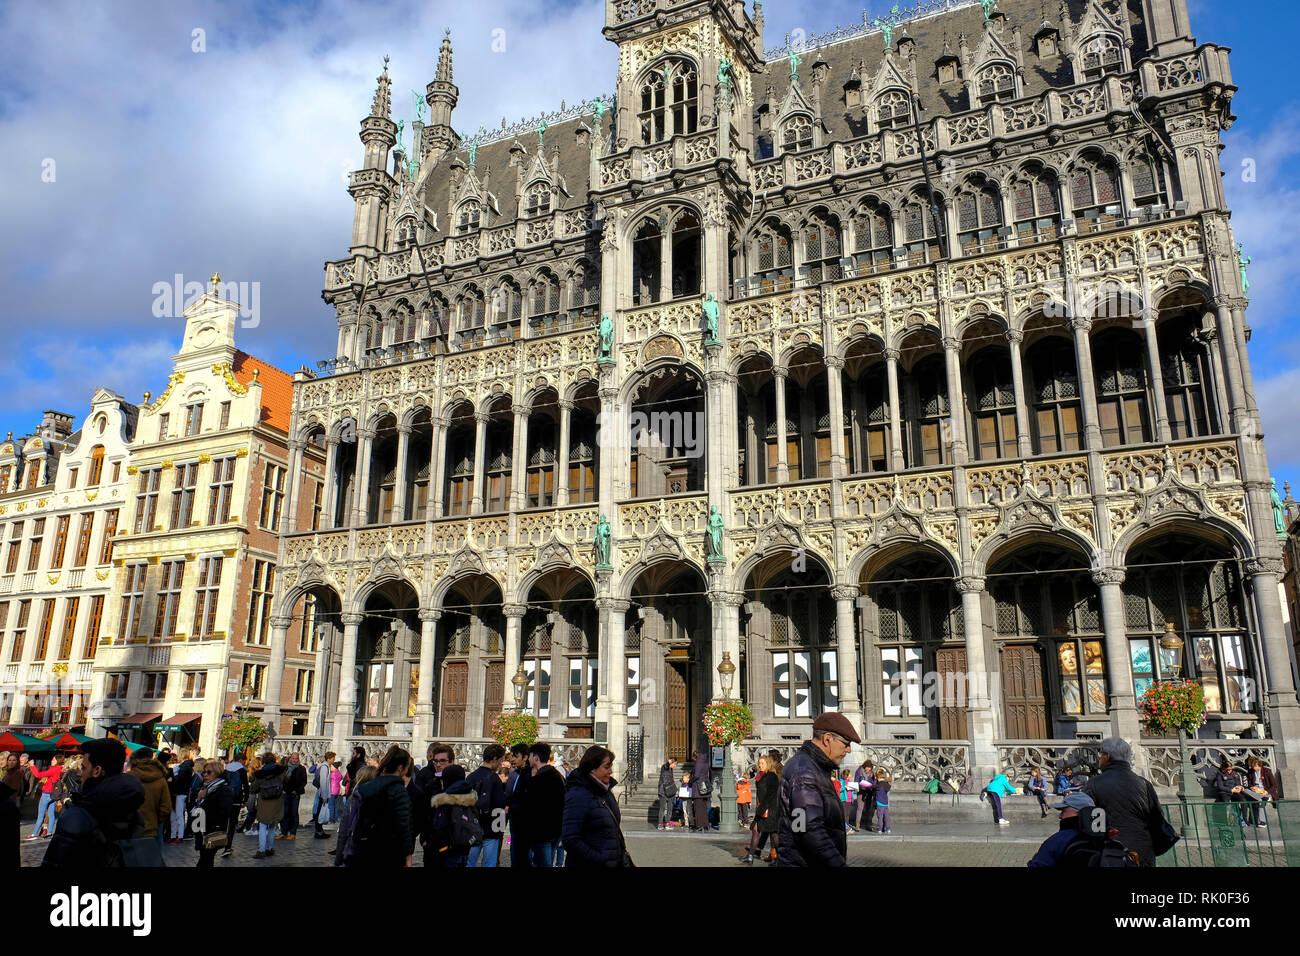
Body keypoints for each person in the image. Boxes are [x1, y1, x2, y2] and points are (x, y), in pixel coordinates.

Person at [41, 739, 145, 868]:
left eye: (83, 768)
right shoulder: (134, 812)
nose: (80, 773)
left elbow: (55, 862)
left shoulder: (78, 816)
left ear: (97, 771)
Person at [777, 712, 860, 867]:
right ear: (827, 739)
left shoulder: (814, 768)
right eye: (846, 743)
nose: (848, 750)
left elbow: (803, 825)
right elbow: (807, 830)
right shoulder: (804, 773)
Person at [1083, 737, 1168, 867]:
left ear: (1107, 756)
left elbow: (1089, 823)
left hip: (1110, 852)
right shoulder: (1144, 784)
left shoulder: (1093, 784)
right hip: (1142, 850)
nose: (1099, 758)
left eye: (1101, 754)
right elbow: (1157, 819)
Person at [346, 745, 414, 868]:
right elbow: (404, 824)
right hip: (388, 849)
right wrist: (408, 854)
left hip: (363, 845)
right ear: (400, 768)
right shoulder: (398, 790)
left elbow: (355, 817)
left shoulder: (368, 785)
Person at [562, 745, 627, 868]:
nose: (611, 771)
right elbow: (570, 839)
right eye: (606, 767)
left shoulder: (605, 791)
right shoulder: (578, 795)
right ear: (592, 768)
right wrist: (600, 859)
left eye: (611, 766)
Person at [1028, 792, 1102, 867]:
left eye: (1063, 811)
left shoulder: (1059, 840)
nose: (1060, 816)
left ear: (1078, 813)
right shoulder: (1106, 837)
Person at [522, 742, 566, 867]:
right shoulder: (556, 775)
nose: (528, 759)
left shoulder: (541, 778)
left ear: (536, 757)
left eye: (530, 756)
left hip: (542, 832)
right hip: (554, 830)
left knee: (544, 863)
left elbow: (533, 806)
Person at [465, 744, 508, 867]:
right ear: (495, 759)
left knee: (469, 862)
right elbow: (500, 804)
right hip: (491, 828)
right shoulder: (494, 779)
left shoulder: (471, 777)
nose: (500, 764)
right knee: (489, 863)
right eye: (500, 760)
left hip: (473, 827)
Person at [191, 759, 233, 868]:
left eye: (209, 772)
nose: (205, 774)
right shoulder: (204, 787)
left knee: (206, 858)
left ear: (217, 773)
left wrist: (205, 805)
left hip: (213, 830)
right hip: (201, 829)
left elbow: (224, 811)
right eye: (204, 772)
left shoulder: (223, 789)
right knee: (206, 859)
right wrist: (199, 798)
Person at [127, 750, 171, 849]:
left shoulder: (129, 777)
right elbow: (166, 808)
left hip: (131, 829)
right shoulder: (160, 779)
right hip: (151, 830)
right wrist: (155, 821)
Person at [334, 766, 378, 867]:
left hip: (356, 847)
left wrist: (338, 858)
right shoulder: (384, 796)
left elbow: (344, 829)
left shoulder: (355, 797)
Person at [742, 752, 781, 865]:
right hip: (762, 809)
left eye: (762, 763)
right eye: (759, 763)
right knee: (755, 831)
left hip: (770, 810)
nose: (760, 765)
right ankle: (750, 857)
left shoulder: (772, 776)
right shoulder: (760, 776)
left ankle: (781, 858)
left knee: (774, 835)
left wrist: (761, 809)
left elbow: (771, 795)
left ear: (767, 764)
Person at [249, 752, 288, 859]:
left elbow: (253, 789)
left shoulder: (260, 774)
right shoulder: (281, 771)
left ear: (264, 761)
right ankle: (269, 848)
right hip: (277, 801)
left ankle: (261, 850)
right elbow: (287, 782)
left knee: (262, 825)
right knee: (272, 826)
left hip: (264, 801)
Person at [505, 743, 531, 866]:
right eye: (512, 756)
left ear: (525, 757)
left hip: (524, 817)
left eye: (516, 756)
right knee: (515, 846)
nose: (512, 759)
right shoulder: (514, 773)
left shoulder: (530, 774)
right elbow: (510, 792)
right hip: (513, 815)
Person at [28, 755, 65, 839]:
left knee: (40, 815)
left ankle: (34, 834)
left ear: (57, 761)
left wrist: (32, 766)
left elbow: (38, 774)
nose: (51, 761)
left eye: (53, 760)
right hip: (54, 795)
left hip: (47, 794)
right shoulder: (60, 769)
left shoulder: (53, 770)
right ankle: (49, 832)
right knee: (51, 814)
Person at [222, 751, 248, 855]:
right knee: (232, 824)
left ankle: (220, 842)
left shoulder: (226, 769)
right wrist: (245, 799)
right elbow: (245, 785)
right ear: (241, 760)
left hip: (226, 798)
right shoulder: (242, 770)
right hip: (237, 798)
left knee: (224, 822)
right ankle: (228, 847)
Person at [1243, 756, 1279, 828]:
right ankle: (1259, 798)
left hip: (1265, 791)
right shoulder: (1250, 772)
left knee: (1261, 802)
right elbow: (1249, 784)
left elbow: (1274, 785)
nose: (1254, 768)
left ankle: (1263, 822)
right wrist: (1252, 787)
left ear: (1259, 765)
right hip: (1256, 792)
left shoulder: (1267, 771)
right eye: (1253, 766)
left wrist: (1266, 791)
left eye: (1255, 766)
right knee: (1244, 790)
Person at [278, 752, 307, 840]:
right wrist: (282, 789)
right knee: (284, 813)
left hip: (295, 794)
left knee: (294, 813)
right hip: (285, 793)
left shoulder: (301, 769)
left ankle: (293, 833)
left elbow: (303, 781)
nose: (294, 760)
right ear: (290, 759)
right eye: (293, 759)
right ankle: (283, 832)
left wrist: (297, 790)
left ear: (298, 759)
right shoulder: (285, 768)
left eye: (296, 759)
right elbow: (281, 779)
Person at [168, 748, 194, 845]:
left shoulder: (185, 767)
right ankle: (174, 835)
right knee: (175, 815)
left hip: (180, 792)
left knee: (178, 815)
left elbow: (180, 779)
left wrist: (172, 778)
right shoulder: (185, 766)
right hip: (179, 792)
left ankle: (179, 836)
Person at [309, 751, 337, 835]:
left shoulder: (326, 766)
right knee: (319, 812)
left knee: (320, 812)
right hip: (323, 793)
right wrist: (325, 796)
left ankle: (320, 830)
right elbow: (323, 782)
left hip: (323, 793)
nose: (334, 760)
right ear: (328, 759)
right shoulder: (324, 767)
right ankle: (318, 831)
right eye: (333, 758)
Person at [853, 759, 876, 832]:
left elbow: (873, 782)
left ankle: (868, 824)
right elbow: (856, 780)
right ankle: (857, 825)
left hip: (869, 791)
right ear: (865, 766)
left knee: (868, 808)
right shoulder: (859, 771)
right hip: (861, 791)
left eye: (870, 768)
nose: (868, 769)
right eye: (867, 767)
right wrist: (859, 785)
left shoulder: (872, 773)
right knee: (860, 808)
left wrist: (873, 783)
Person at [690, 751, 711, 831]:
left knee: (698, 807)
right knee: (703, 807)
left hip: (698, 788)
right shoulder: (705, 762)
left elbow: (696, 775)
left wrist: (690, 782)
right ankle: (705, 825)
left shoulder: (698, 762)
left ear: (695, 757)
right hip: (704, 787)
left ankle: (699, 825)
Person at [656, 757, 678, 830]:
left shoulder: (671, 769)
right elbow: (665, 766)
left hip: (670, 791)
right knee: (662, 808)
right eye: (675, 764)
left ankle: (667, 823)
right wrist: (668, 762)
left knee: (670, 808)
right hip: (663, 791)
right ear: (671, 762)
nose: (675, 765)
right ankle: (660, 824)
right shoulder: (665, 767)